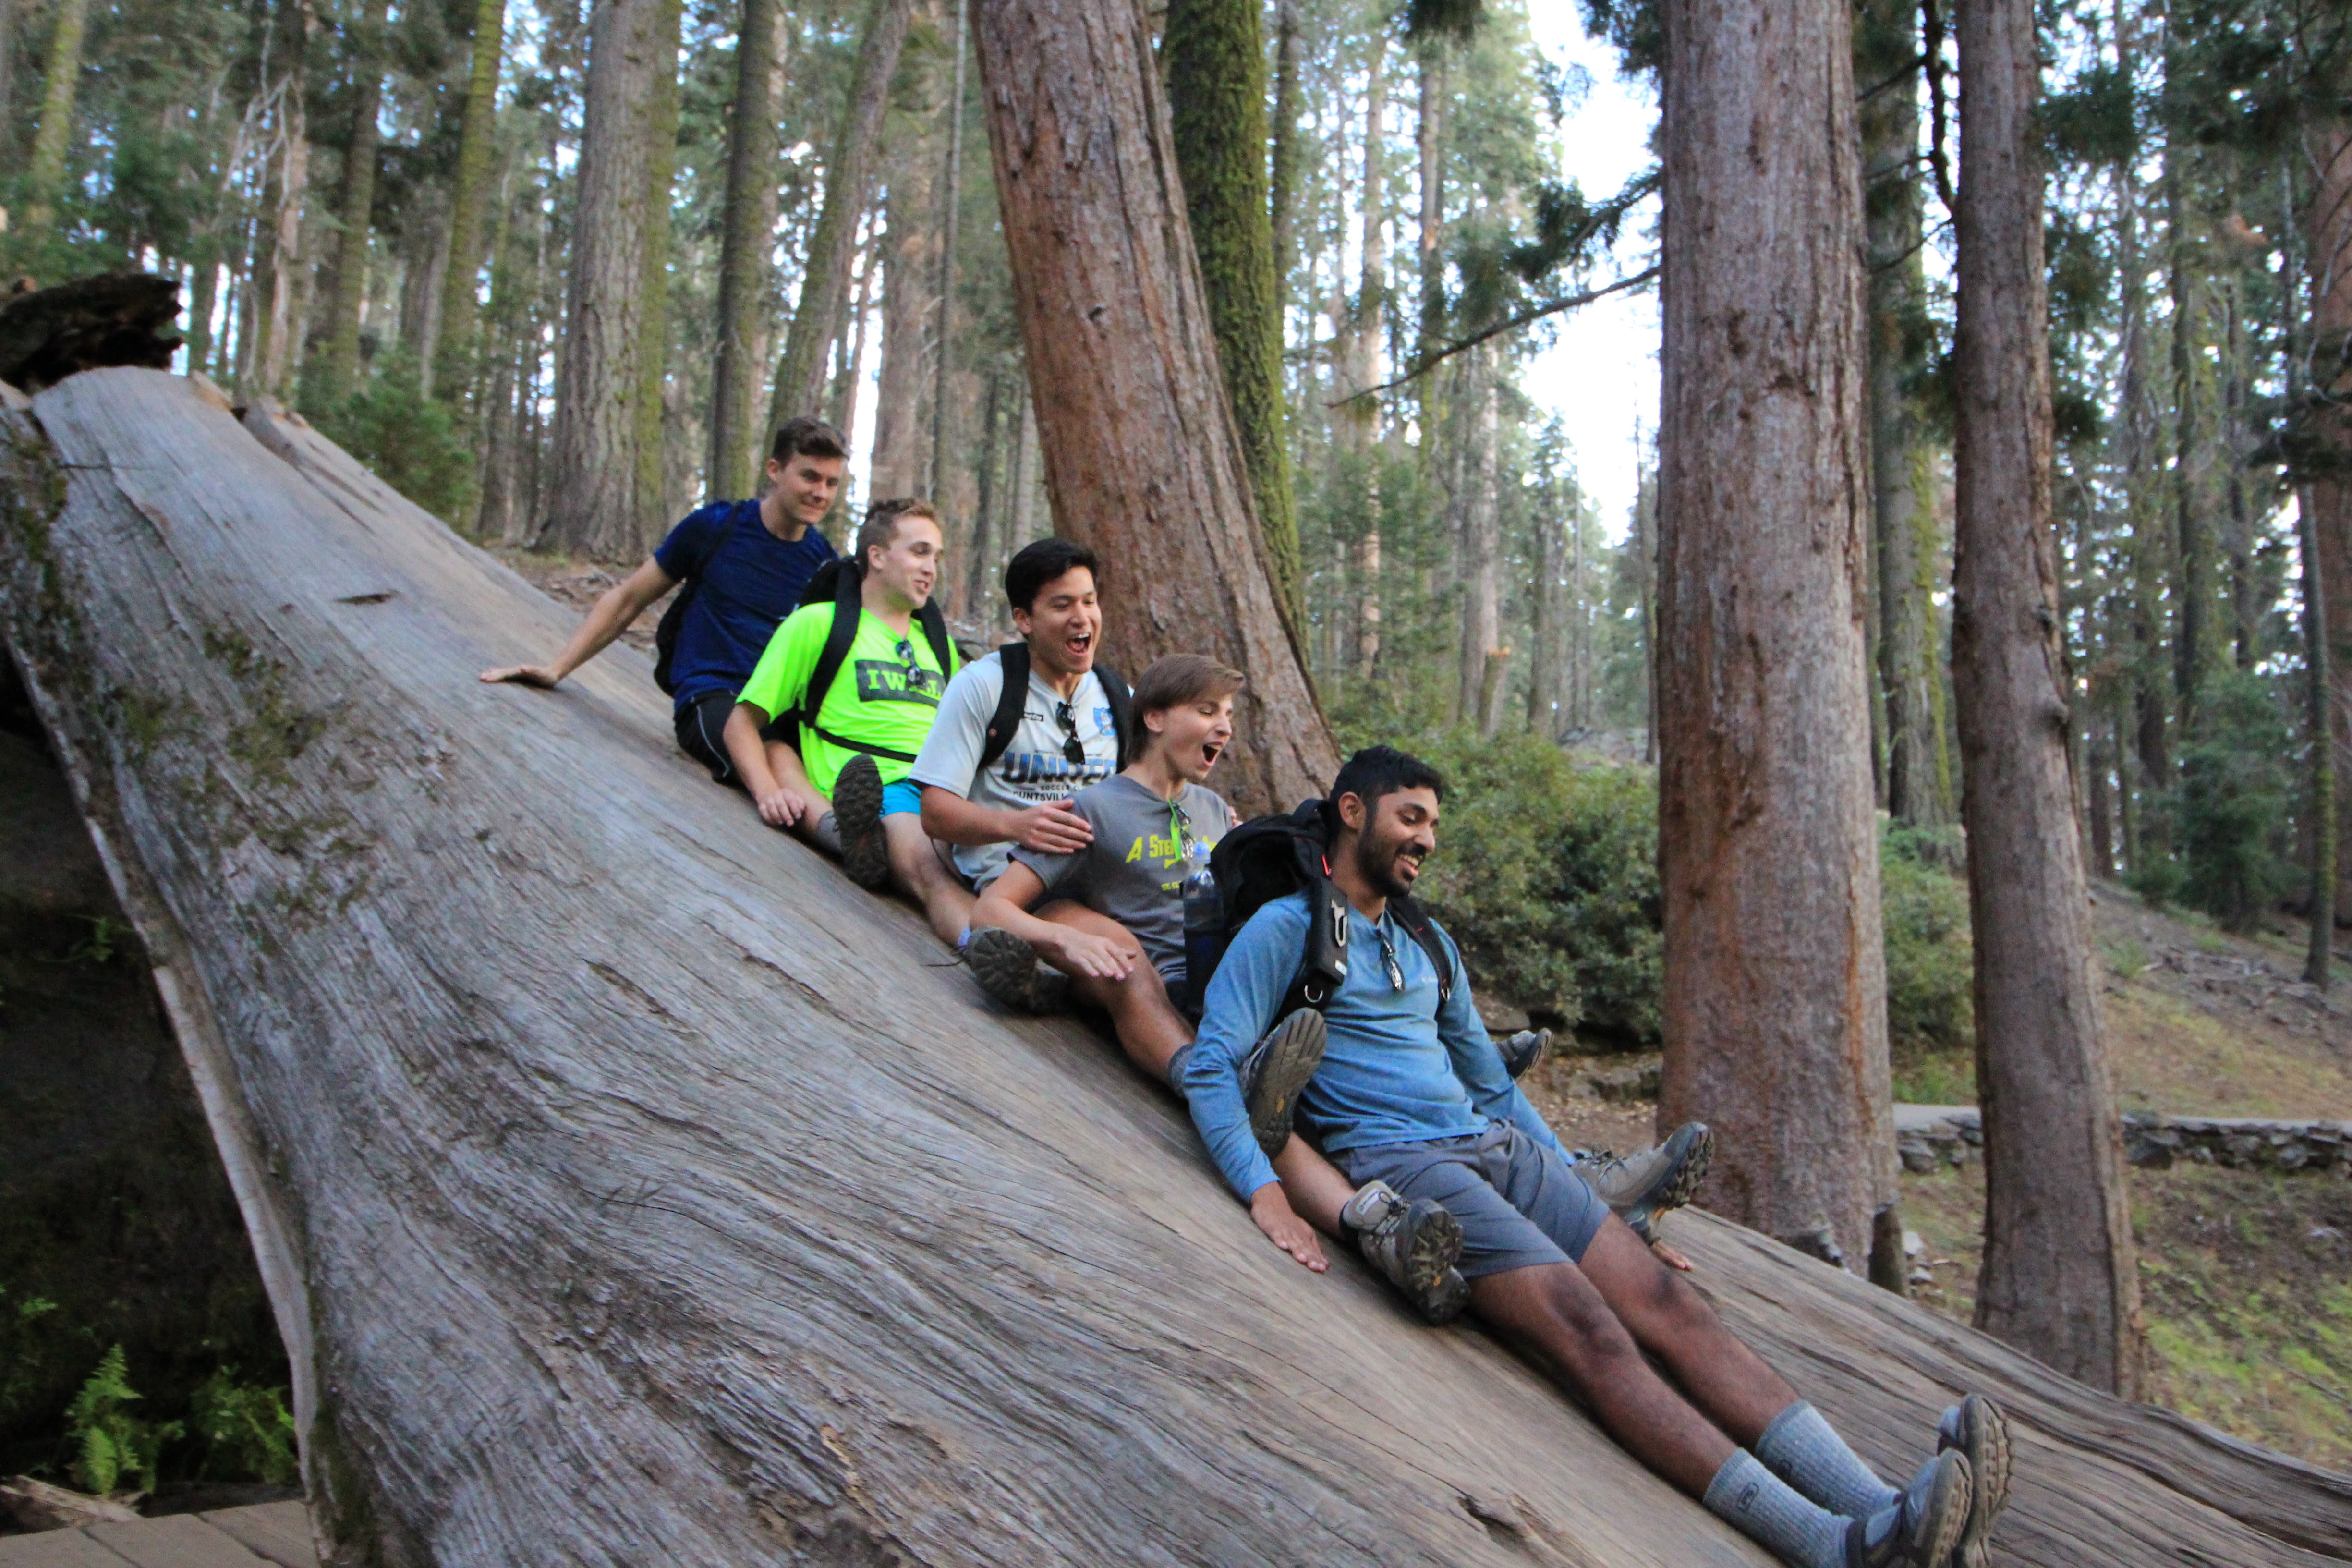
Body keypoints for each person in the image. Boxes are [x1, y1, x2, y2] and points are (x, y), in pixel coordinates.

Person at [1182, 746, 2013, 1568]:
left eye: (1434, 824)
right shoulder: (1283, 930)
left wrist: (1580, 1186)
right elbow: (1215, 1064)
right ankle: (1832, 1548)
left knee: (1666, 1304)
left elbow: (1493, 1087)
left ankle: (1885, 1509)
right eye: (1410, 818)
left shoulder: (1427, 944)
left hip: (1495, 1149)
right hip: (1403, 1164)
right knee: (1590, 1330)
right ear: (1352, 812)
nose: (1426, 839)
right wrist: (1262, 1190)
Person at [479, 417, 845, 782]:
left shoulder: (825, 565)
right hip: (712, 697)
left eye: (832, 483)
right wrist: (557, 669)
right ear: (775, 470)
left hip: (775, 708)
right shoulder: (716, 527)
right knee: (773, 768)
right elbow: (629, 598)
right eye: (810, 477)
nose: (821, 493)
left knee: (823, 774)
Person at [723, 498, 972, 946]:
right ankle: (986, 947)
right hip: (879, 789)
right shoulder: (817, 625)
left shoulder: (941, 647)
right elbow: (743, 721)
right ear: (876, 556)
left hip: (948, 789)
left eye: (936, 556)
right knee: (930, 868)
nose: (931, 568)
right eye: (919, 552)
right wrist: (768, 791)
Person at [909, 538, 1125, 894]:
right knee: (1118, 946)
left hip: (1100, 880)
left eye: (1089, 601)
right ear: (1024, 619)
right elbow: (935, 812)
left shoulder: (1119, 697)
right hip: (1010, 878)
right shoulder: (983, 686)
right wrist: (1017, 825)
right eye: (1062, 605)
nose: (1081, 617)